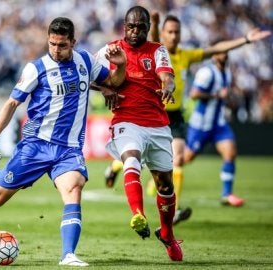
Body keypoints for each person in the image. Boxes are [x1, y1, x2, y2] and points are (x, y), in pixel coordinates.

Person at [0, 17, 126, 267]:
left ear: (73, 42)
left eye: (62, 45)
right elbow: (11, 104)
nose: (56, 49)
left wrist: (120, 67)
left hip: (68, 149)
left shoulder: (85, 60)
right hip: (36, 146)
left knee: (74, 189)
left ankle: (68, 255)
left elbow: (114, 82)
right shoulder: (36, 68)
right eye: (52, 44)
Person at [104, 12, 271, 224]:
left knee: (178, 160)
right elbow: (151, 37)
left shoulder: (185, 55)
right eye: (170, 32)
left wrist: (245, 39)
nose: (174, 36)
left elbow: (216, 49)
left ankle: (173, 212)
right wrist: (154, 23)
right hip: (146, 114)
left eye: (177, 32)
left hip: (173, 116)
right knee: (137, 157)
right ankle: (116, 166)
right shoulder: (155, 51)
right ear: (162, 34)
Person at [95, 6, 183, 261]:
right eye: (131, 27)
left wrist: (169, 86)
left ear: (147, 28)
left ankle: (167, 233)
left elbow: (167, 77)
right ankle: (138, 214)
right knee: (130, 157)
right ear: (125, 26)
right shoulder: (109, 50)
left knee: (165, 184)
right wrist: (104, 89)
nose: (135, 32)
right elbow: (85, 75)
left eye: (140, 27)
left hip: (156, 124)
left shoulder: (158, 50)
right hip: (126, 120)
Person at [184, 43, 244, 206]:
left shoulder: (227, 73)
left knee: (230, 153)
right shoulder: (206, 72)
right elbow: (194, 94)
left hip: (218, 124)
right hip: (201, 125)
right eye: (221, 50)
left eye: (226, 51)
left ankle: (227, 194)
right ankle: (157, 179)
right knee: (186, 158)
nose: (224, 53)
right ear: (214, 53)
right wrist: (216, 95)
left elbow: (224, 97)